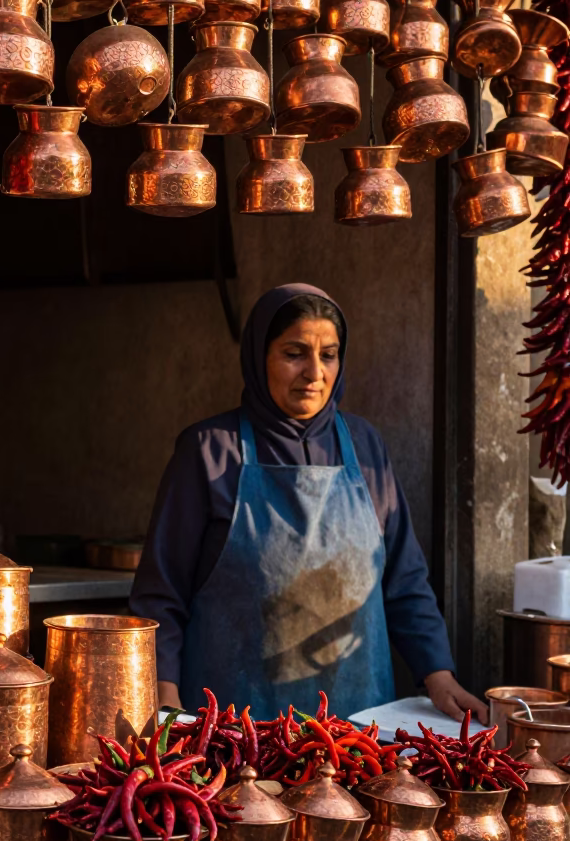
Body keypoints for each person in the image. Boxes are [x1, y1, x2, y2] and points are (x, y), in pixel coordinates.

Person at [129, 283, 487, 724]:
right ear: (259, 358)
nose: (314, 372)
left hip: (357, 727)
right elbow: (161, 596)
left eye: (329, 354)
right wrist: (168, 709)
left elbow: (404, 580)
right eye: (294, 352)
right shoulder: (208, 452)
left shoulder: (365, 445)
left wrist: (439, 675)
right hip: (234, 729)